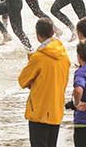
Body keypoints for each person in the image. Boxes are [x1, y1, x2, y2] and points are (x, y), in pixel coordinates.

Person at [18, 17, 71, 147]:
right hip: (56, 110)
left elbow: (22, 80)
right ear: (53, 32)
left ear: (37, 35)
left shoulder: (39, 56)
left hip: (39, 111)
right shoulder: (64, 53)